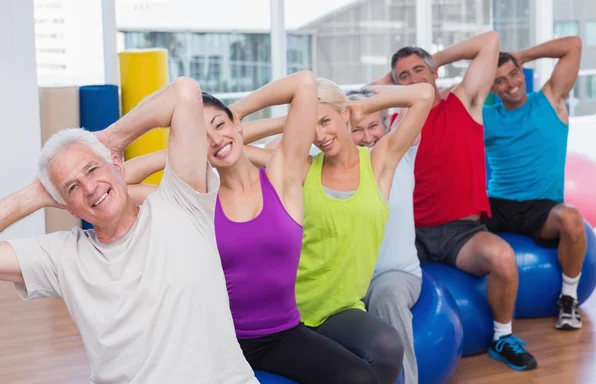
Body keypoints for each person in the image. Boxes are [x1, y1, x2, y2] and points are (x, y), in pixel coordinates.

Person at [123, 72, 382, 384]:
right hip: (218, 340)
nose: (216, 140)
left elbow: (304, 84)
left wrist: (240, 111)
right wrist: (181, 153)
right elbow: (122, 180)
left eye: (219, 125)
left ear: (236, 124)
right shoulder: (195, 203)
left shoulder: (281, 177)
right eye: (201, 138)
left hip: (283, 336)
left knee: (361, 378)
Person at [0, 77, 258, 383]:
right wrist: (32, 196)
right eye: (72, 187)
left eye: (92, 169)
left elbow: (185, 92)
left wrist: (111, 138)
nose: (89, 187)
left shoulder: (182, 204)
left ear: (118, 167)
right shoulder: (63, 256)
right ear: (66, 207)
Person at [241, 78, 434, 384]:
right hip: (289, 310)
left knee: (388, 346)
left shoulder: (379, 163)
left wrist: (362, 106)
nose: (319, 135)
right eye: (311, 127)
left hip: (339, 309)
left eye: (326, 121)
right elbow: (237, 141)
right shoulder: (302, 169)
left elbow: (424, 94)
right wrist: (292, 120)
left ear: (344, 115)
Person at [372, 31, 537, 371]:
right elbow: (358, 95)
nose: (414, 79)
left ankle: (502, 336)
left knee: (504, 258)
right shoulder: (393, 121)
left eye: (420, 70)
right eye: (404, 76)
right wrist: (400, 84)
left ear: (433, 73)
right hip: (407, 234)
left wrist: (435, 61)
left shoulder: (465, 102)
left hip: (460, 233)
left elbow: (490, 41)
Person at [484, 36, 585, 330]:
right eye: (499, 80)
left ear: (522, 72)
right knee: (455, 217)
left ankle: (568, 299)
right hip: (498, 204)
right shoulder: (485, 117)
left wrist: (522, 53)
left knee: (572, 219)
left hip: (542, 208)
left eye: (513, 73)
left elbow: (574, 45)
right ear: (491, 87)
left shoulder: (551, 100)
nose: (510, 83)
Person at [344, 88, 422, 384]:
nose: (367, 137)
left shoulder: (401, 154)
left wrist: (365, 98)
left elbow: (418, 97)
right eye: (357, 130)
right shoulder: (333, 164)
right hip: (349, 281)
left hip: (395, 275)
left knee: (387, 296)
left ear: (387, 124)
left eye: (373, 126)